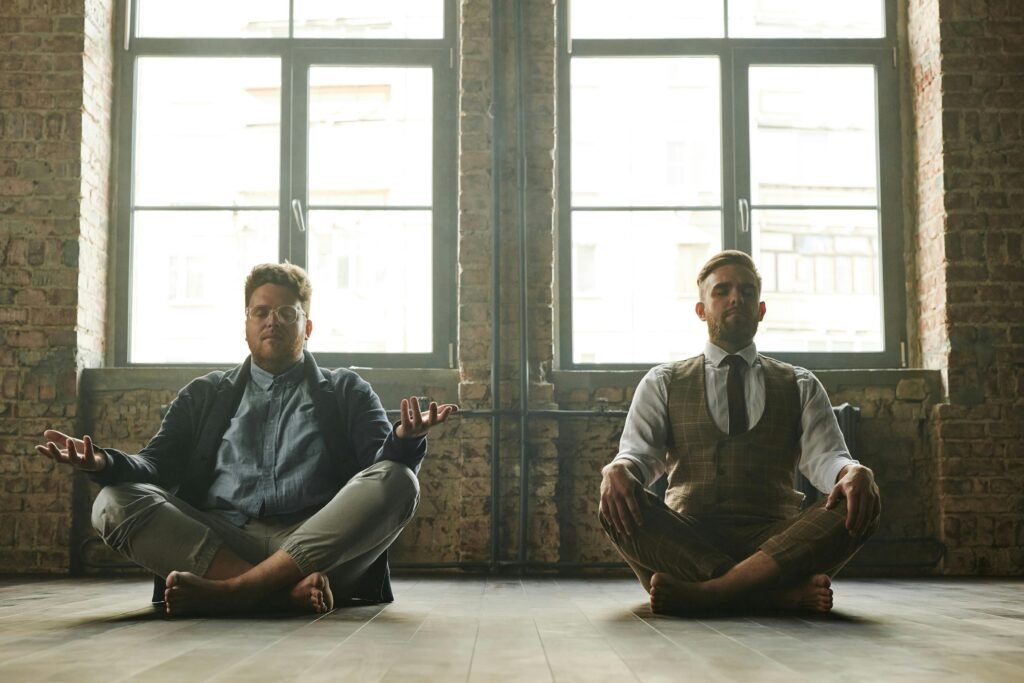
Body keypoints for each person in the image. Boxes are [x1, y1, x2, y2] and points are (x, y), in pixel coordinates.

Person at [37, 263, 457, 616]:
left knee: (400, 480)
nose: (272, 320)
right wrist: (103, 464)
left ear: (307, 326)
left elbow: (377, 466)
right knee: (112, 502)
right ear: (246, 325)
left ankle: (235, 593)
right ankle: (278, 593)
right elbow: (156, 465)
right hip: (218, 542)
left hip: (314, 545)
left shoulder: (346, 389)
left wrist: (404, 439)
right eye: (261, 312)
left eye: (286, 313)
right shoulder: (205, 393)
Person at [599, 250, 880, 615]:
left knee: (862, 498)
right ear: (701, 310)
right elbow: (640, 455)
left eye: (747, 291)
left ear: (760, 310)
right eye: (723, 291)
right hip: (688, 537)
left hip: (778, 540)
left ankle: (710, 593)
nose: (736, 298)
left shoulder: (799, 383)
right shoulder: (663, 382)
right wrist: (619, 469)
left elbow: (826, 458)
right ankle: (772, 594)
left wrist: (852, 472)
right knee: (614, 498)